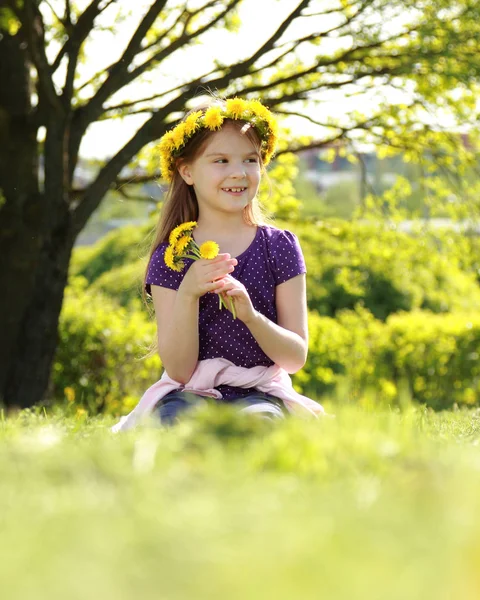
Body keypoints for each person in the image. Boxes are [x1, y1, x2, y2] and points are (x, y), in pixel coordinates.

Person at [111, 97, 324, 432]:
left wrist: (251, 317)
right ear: (187, 171)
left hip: (260, 394)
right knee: (175, 427)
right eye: (221, 160)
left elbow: (295, 358)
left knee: (257, 427)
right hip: (189, 394)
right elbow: (180, 370)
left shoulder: (278, 247)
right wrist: (188, 293)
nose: (238, 173)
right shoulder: (172, 257)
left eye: (250, 160)